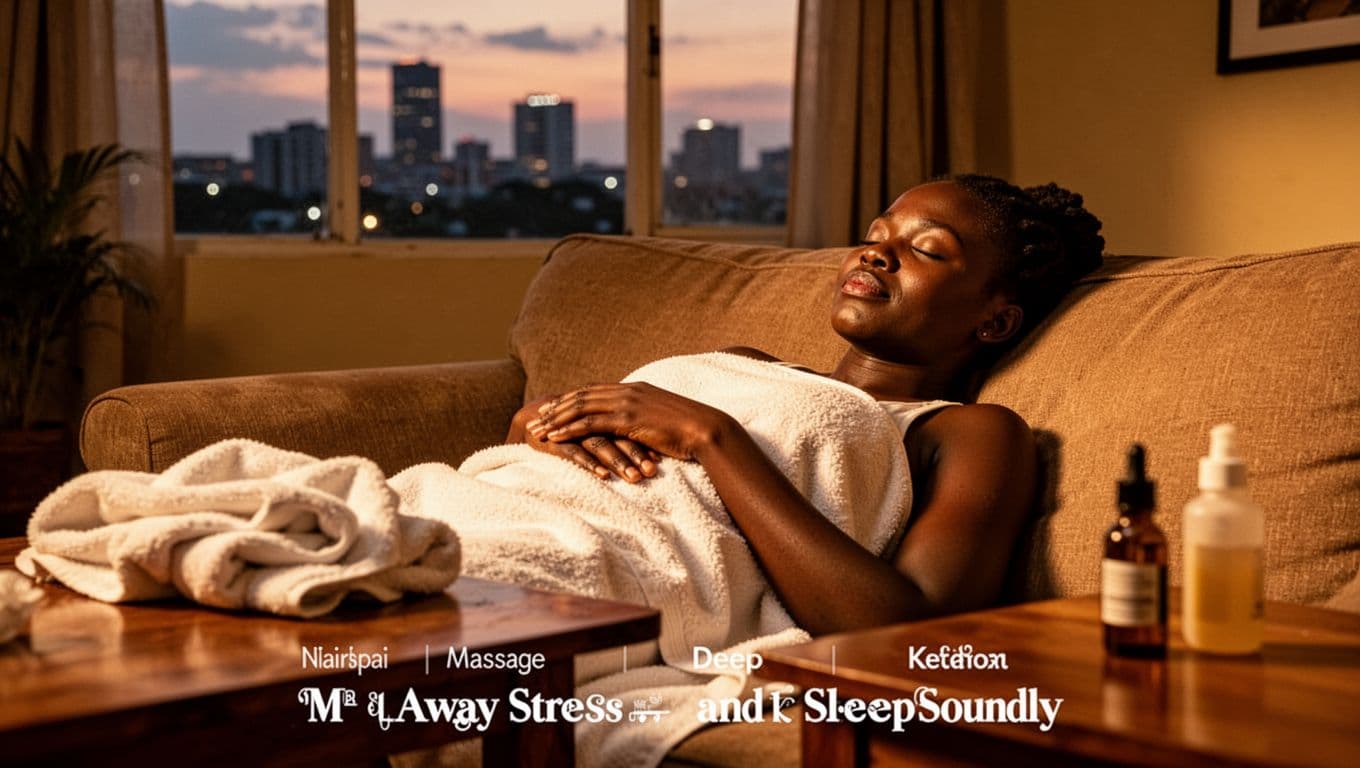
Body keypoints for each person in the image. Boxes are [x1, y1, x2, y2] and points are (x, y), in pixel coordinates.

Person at [504, 174, 1104, 637]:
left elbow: (910, 628)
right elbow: (540, 438)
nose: (876, 253)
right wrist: (540, 425)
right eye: (875, 236)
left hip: (592, 580)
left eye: (927, 249)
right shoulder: (746, 363)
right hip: (501, 514)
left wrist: (713, 438)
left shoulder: (969, 432)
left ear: (995, 320)